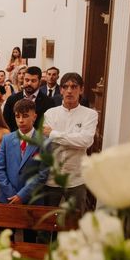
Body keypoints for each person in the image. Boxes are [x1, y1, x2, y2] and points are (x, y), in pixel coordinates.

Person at [42, 72, 98, 213]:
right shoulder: (50, 113)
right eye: (65, 87)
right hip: (53, 178)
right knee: (48, 221)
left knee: (76, 221)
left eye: (74, 87)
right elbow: (49, 142)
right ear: (60, 90)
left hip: (76, 178)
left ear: (81, 89)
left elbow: (85, 141)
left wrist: (54, 133)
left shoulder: (90, 114)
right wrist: (74, 138)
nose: (69, 91)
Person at [0, 100, 49, 242]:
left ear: (34, 117)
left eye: (25, 116)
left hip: (31, 198)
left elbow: (42, 174)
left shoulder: (44, 141)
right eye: (17, 116)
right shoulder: (7, 139)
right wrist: (11, 194)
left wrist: (22, 195)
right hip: (8, 197)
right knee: (6, 238)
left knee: (30, 239)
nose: (21, 120)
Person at [3, 66, 56, 132]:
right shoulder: (12, 100)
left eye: (33, 81)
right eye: (27, 80)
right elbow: (5, 123)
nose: (29, 83)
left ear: (39, 82)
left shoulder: (48, 102)